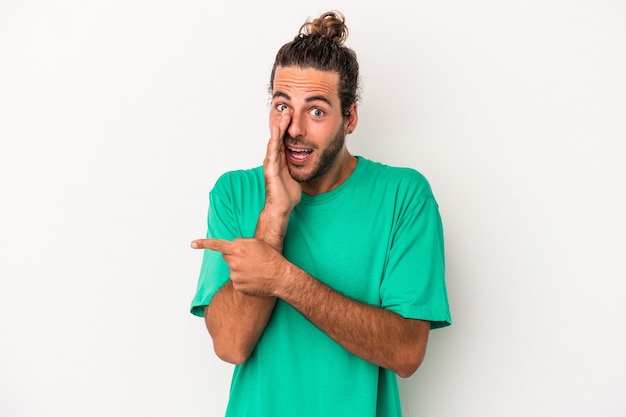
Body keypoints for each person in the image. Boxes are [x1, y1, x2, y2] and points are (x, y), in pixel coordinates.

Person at [189, 10, 451, 417]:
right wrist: (273, 217)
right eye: (281, 106)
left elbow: (406, 352)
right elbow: (230, 344)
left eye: (316, 111)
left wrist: (282, 278)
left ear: (350, 118)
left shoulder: (404, 195)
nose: (293, 128)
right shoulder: (234, 193)